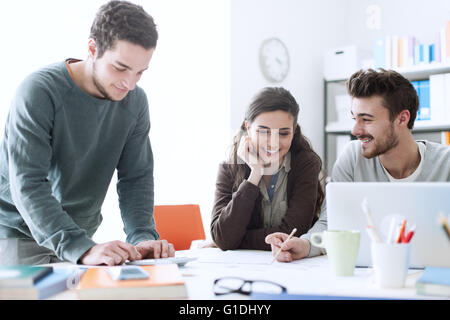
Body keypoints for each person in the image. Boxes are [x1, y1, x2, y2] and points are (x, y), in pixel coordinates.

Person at [0, 0, 175, 266]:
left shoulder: (136, 102)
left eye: (140, 72)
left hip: (79, 236)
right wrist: (79, 247)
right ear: (93, 49)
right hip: (17, 235)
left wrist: (141, 236)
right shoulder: (39, 91)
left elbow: (136, 178)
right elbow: (28, 182)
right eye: (120, 67)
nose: (129, 83)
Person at [266, 68, 450, 262]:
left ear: (402, 118)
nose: (355, 130)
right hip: (370, 275)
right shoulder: (352, 157)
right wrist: (305, 245)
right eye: (355, 118)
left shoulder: (445, 163)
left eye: (366, 119)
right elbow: (332, 222)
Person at [210, 87, 325, 250]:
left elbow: (294, 234)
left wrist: (238, 240)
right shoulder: (230, 168)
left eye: (284, 133)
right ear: (248, 128)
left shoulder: (306, 163)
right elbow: (224, 237)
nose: (273, 142)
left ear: (294, 130)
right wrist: (254, 175)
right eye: (264, 132)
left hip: (295, 265)